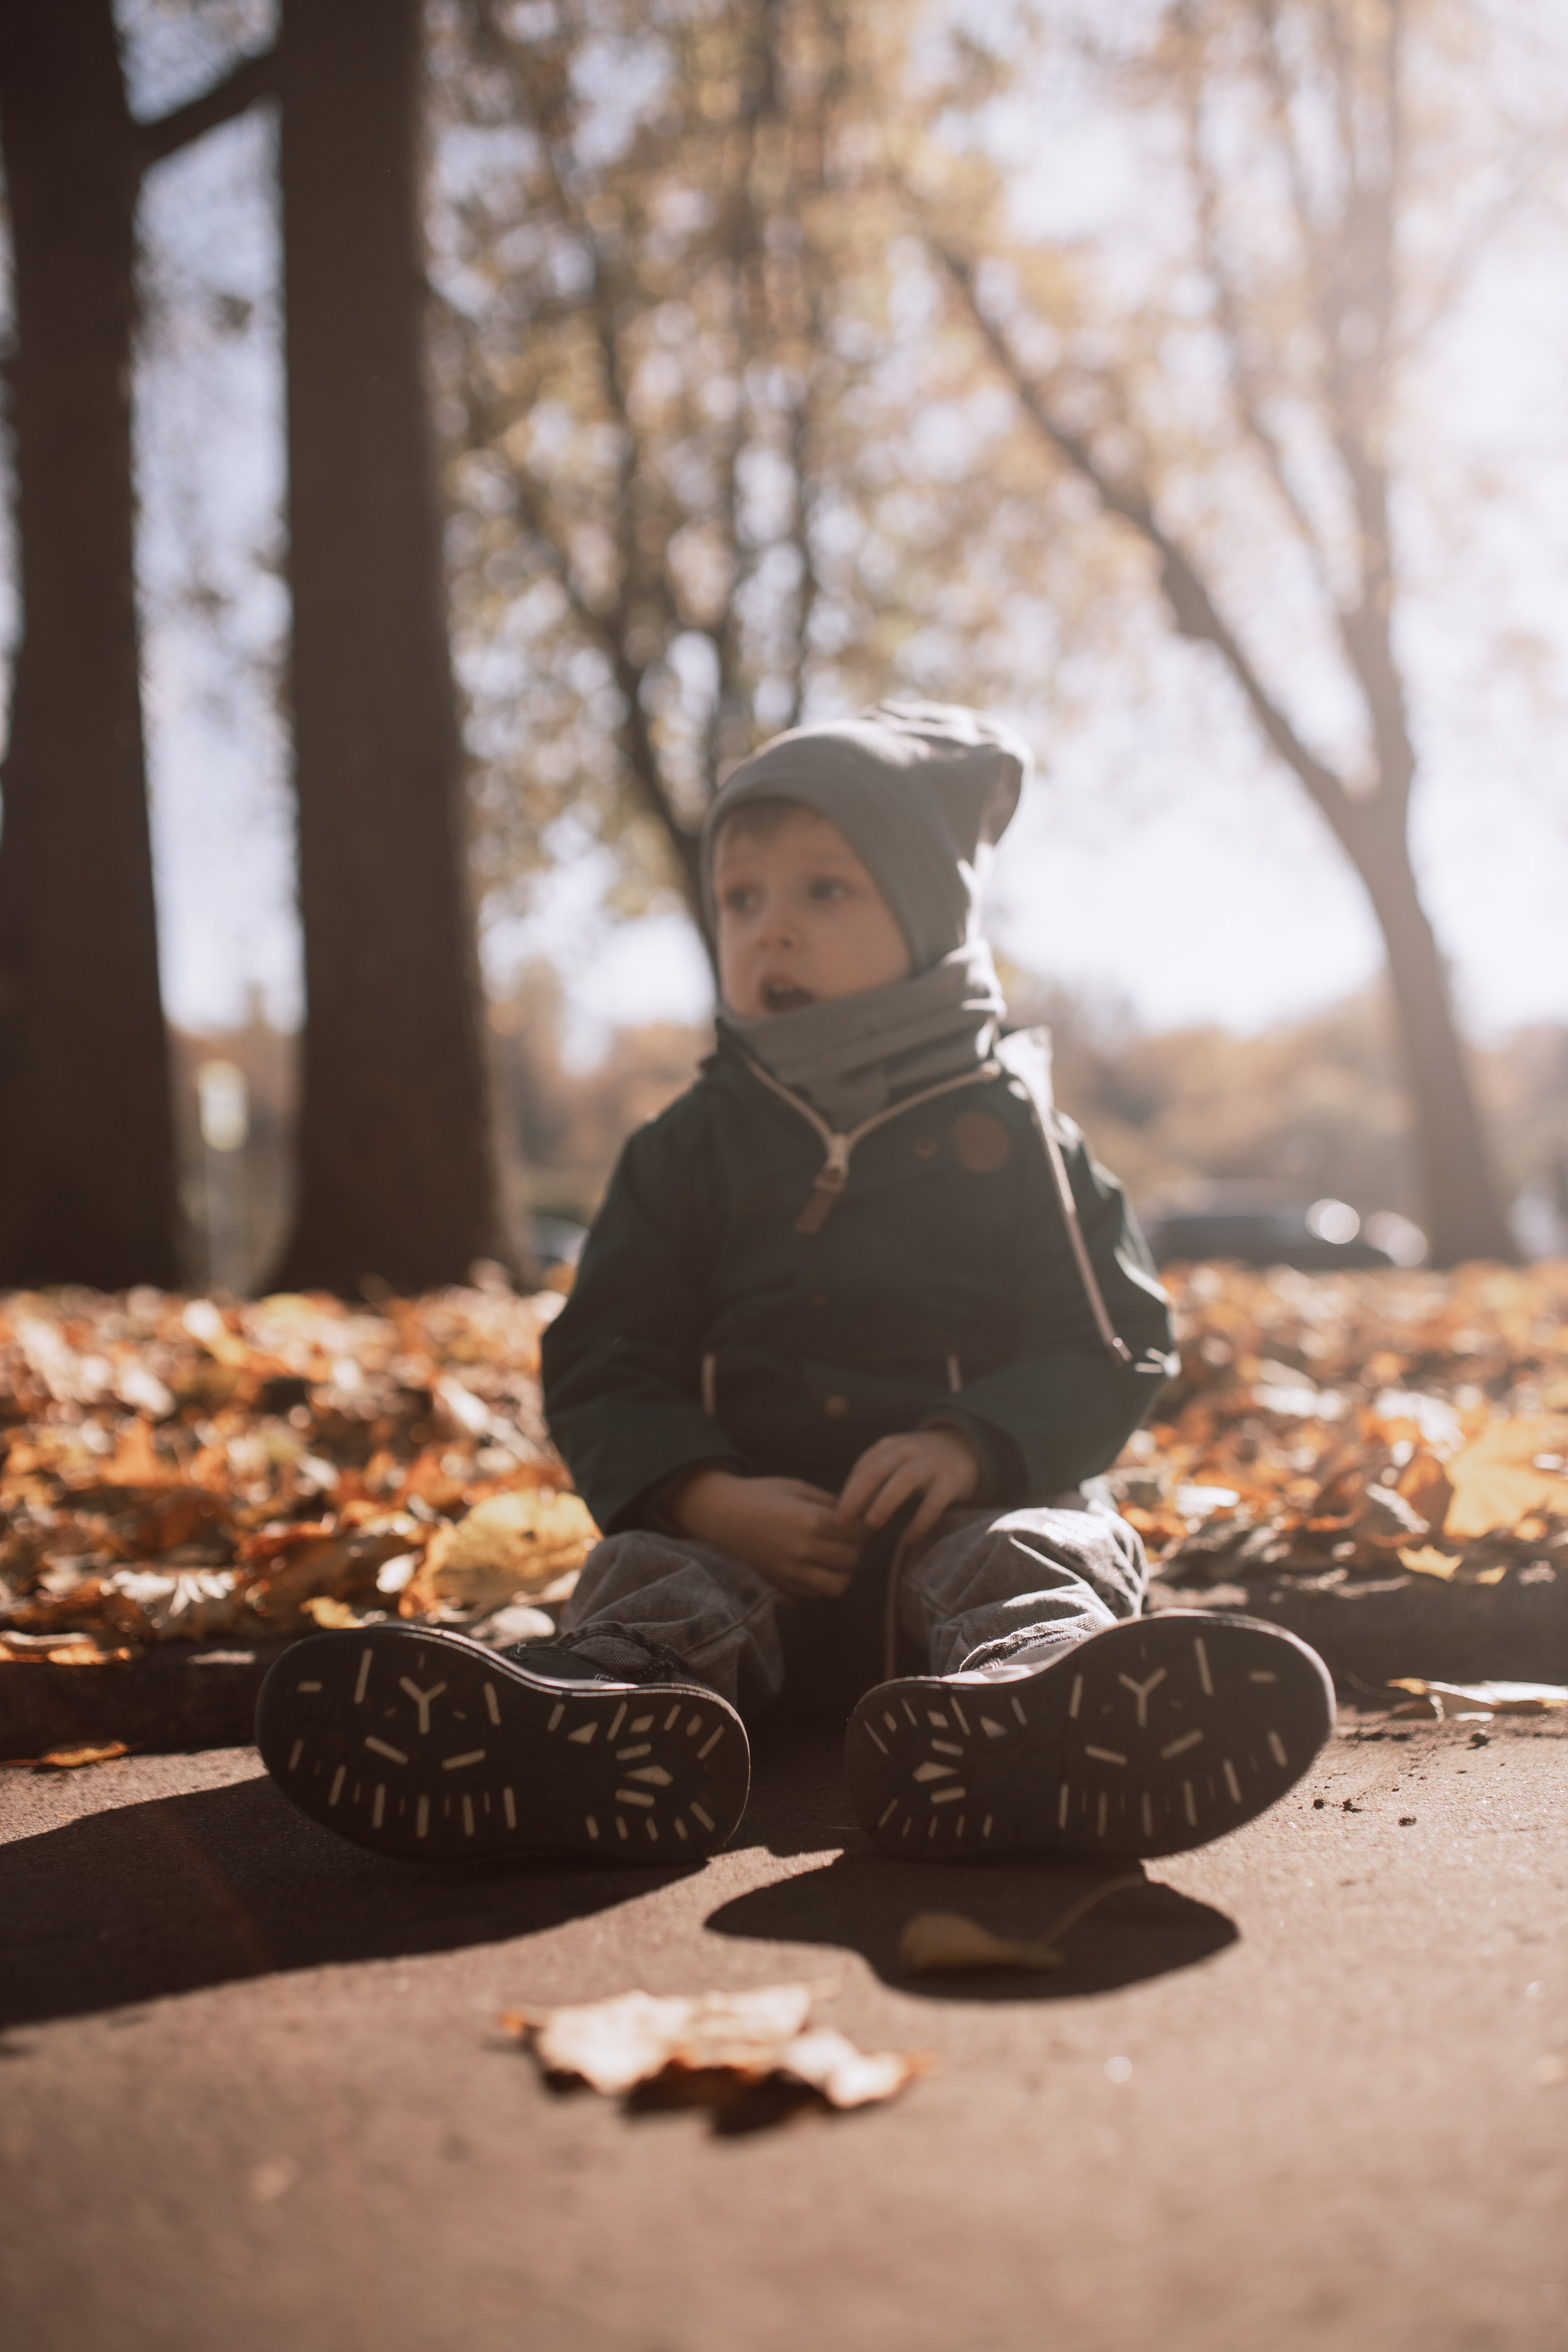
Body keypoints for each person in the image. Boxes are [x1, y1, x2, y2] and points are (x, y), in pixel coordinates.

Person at [257, 704, 1334, 1864]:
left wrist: (973, 1445)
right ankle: (595, 1723)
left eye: (825, 892)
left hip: (958, 1529)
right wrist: (703, 1494)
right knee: (653, 1579)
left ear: (925, 919)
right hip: (753, 1553)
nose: (772, 931)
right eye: (742, 900)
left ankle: (1038, 1712)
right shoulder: (688, 1148)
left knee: (1038, 1547)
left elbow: (1113, 1339)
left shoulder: (1016, 1131)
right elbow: (605, 1355)